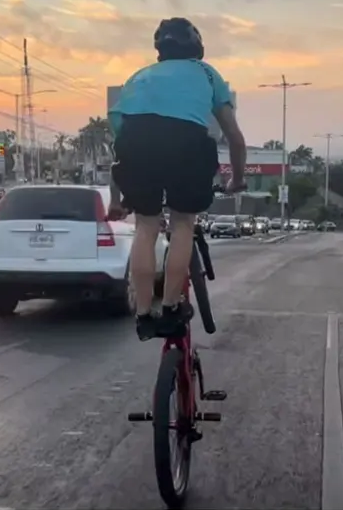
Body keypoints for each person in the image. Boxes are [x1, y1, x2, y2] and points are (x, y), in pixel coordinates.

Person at [106, 17, 247, 340]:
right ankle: (170, 307)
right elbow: (235, 139)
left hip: (136, 145)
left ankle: (143, 314)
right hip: (186, 144)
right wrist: (236, 180)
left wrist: (116, 199)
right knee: (183, 222)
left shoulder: (138, 77)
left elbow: (120, 151)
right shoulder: (207, 73)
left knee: (146, 226)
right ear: (196, 47)